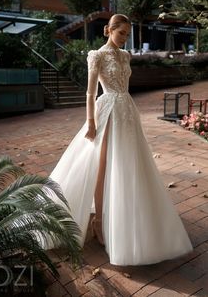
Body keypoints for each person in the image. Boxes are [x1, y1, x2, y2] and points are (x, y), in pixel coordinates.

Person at [50, 14, 193, 266]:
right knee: (101, 166)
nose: (125, 39)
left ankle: (125, 216)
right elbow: (90, 91)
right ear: (109, 30)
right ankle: (98, 222)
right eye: (121, 33)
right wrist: (92, 123)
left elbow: (125, 85)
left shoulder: (125, 56)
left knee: (128, 164)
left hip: (127, 111)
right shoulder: (97, 55)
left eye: (128, 34)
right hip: (106, 111)